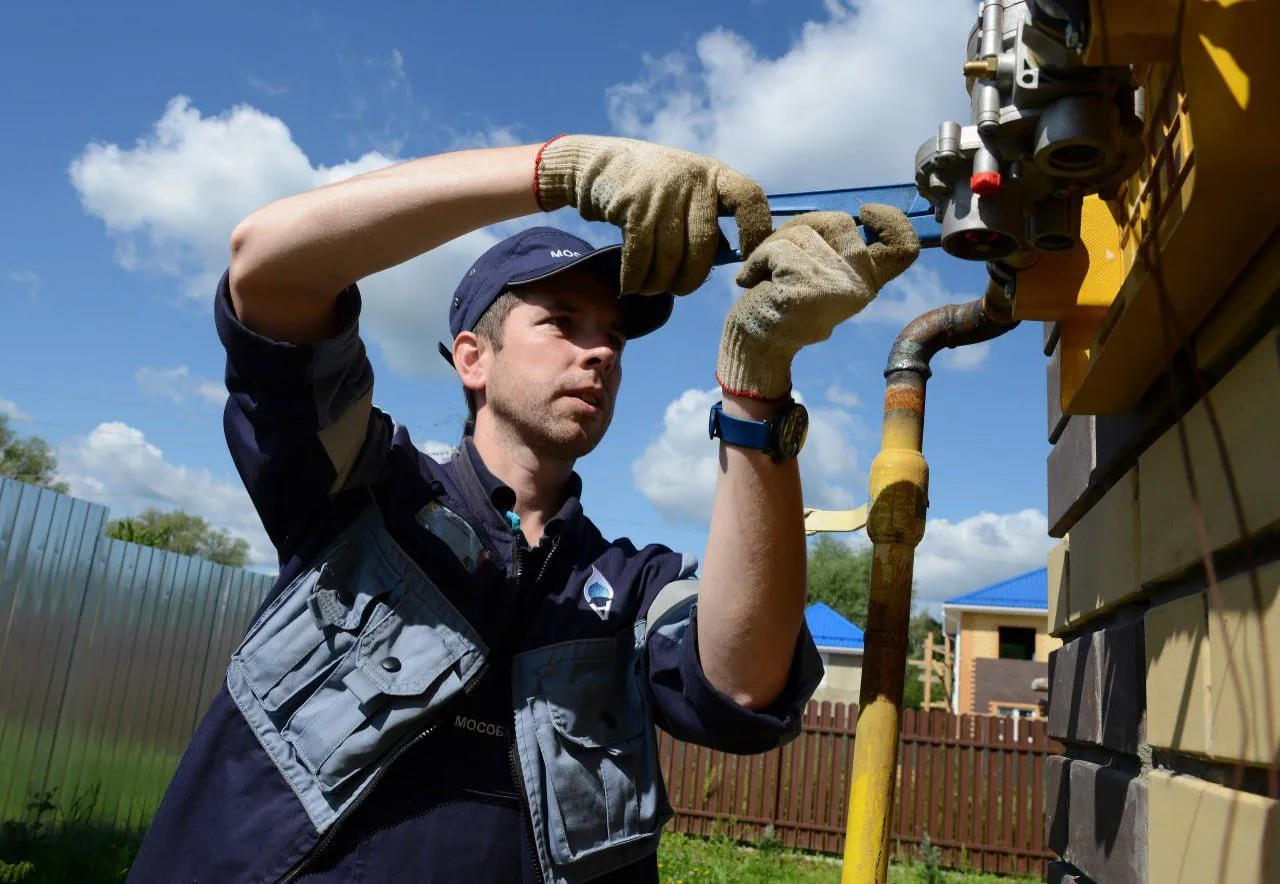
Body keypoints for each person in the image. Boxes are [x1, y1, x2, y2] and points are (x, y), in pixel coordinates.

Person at [127, 134, 919, 883]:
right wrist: (563, 168)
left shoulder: (633, 586)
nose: (601, 350)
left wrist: (758, 381)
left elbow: (743, 687)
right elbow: (267, 267)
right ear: (473, 357)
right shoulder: (366, 493)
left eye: (613, 334)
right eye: (562, 322)